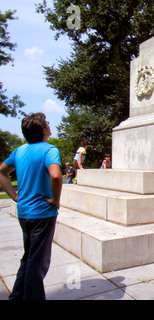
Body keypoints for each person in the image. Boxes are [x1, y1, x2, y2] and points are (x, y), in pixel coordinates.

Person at [0, 113, 62, 300]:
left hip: (24, 213)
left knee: (29, 259)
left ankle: (16, 297)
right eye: (48, 123)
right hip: (42, 214)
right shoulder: (49, 150)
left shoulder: (19, 151)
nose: (50, 125)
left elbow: (2, 171)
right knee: (38, 264)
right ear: (44, 130)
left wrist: (14, 195)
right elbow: (56, 176)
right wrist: (56, 201)